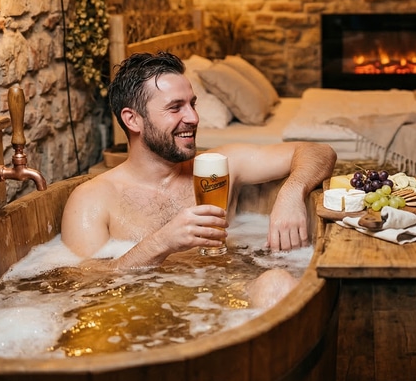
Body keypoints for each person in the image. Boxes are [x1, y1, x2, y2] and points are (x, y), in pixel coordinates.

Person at [61, 51, 337, 271]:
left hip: (222, 303)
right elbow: (84, 284)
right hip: (144, 315)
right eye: (175, 107)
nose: (193, 118)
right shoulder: (92, 199)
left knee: (275, 283)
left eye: (192, 104)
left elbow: (319, 151)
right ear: (132, 120)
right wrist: (162, 242)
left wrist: (291, 194)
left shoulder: (220, 166)